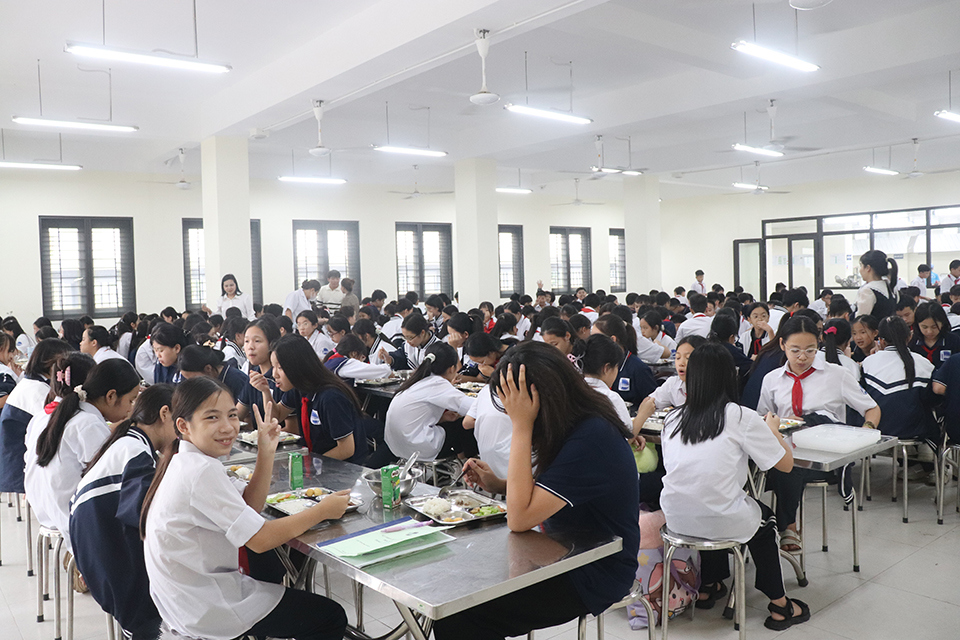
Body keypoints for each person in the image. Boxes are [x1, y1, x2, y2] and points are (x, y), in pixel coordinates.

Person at [441, 342, 639, 640]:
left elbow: (519, 519)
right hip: (557, 551)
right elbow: (555, 490)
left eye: (511, 404)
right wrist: (499, 484)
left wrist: (522, 425)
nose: (508, 413)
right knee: (455, 593)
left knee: (462, 617)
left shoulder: (592, 436)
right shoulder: (572, 422)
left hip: (594, 568)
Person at [141, 377, 349, 640]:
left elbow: (250, 506)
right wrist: (322, 510)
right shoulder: (199, 470)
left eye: (231, 415)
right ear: (183, 426)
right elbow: (260, 541)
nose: (228, 427)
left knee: (275, 579)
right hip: (205, 605)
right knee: (330, 617)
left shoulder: (188, 461)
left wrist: (266, 449)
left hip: (186, 598)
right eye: (212, 418)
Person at [660, 342, 808, 630]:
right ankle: (780, 605)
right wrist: (773, 431)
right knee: (765, 523)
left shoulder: (672, 418)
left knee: (710, 501)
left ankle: (709, 585)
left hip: (676, 518)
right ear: (729, 376)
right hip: (718, 518)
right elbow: (786, 465)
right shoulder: (740, 416)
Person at [758, 316, 880, 553]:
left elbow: (872, 407)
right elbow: (762, 417)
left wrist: (867, 430)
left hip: (823, 452)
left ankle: (788, 527)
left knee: (789, 458)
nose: (802, 357)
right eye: (795, 350)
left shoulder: (836, 374)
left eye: (810, 350)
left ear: (820, 344)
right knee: (785, 456)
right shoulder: (772, 380)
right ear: (782, 344)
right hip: (786, 448)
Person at [69, 384, 177, 640]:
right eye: (183, 419)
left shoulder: (128, 442)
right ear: (164, 414)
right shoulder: (135, 453)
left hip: (99, 556)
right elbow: (147, 517)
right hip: (116, 569)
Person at [25, 356, 140, 550]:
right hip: (72, 519)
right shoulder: (87, 423)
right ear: (111, 396)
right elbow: (110, 479)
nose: (131, 408)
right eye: (131, 400)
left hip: (47, 509)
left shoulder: (58, 416)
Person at [271, 335, 368, 464]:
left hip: (345, 470)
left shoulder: (330, 397)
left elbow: (346, 449)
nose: (274, 374)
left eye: (280, 368)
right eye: (273, 367)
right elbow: (277, 416)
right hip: (319, 464)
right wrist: (265, 391)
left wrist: (309, 466)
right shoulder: (299, 388)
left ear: (297, 366)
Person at [0, 339, 70, 495]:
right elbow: (58, 424)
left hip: (16, 460)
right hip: (20, 467)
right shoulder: (37, 390)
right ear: (50, 363)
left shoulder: (32, 383)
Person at [384, 343, 474, 461]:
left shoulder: (417, 379)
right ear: (452, 369)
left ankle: (462, 463)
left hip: (396, 446)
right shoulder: (437, 383)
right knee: (464, 424)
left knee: (455, 423)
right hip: (416, 448)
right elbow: (472, 407)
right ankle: (470, 465)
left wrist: (442, 418)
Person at [862, 316, 936, 440]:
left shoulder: (868, 363)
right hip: (912, 433)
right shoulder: (925, 364)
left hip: (876, 431)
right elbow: (933, 400)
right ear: (909, 337)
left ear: (881, 340)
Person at [591, 314, 657, 405]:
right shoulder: (594, 364)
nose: (591, 342)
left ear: (612, 339)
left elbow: (652, 403)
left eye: (596, 338)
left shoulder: (638, 369)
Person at [580, 334, 631, 429]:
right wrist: (643, 414)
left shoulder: (571, 391)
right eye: (616, 367)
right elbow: (627, 434)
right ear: (606, 368)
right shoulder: (611, 398)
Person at [179, 345, 249, 402]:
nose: (194, 383)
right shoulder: (206, 384)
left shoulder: (237, 380)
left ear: (208, 368)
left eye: (194, 378)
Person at [909, 301, 960, 370]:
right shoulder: (911, 341)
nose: (929, 332)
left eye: (934, 327)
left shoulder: (954, 341)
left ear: (942, 323)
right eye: (924, 327)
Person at [322, 334, 391, 385]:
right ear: (354, 354)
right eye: (362, 358)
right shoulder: (345, 363)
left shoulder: (333, 360)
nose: (362, 362)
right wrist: (388, 367)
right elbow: (383, 371)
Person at [857, 250, 898, 319]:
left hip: (873, 329)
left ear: (868, 268)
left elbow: (860, 320)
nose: (860, 270)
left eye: (861, 266)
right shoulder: (890, 286)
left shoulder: (868, 291)